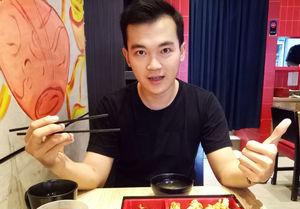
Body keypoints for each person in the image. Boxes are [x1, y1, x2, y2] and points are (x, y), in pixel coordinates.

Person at [25, 0, 290, 190]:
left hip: (181, 204)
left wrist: (255, 173)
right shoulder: (112, 107)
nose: (154, 65)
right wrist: (55, 161)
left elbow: (227, 172)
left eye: (165, 50)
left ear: (182, 51)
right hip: (123, 205)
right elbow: (94, 175)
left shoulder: (204, 103)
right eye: (141, 52)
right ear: (127, 57)